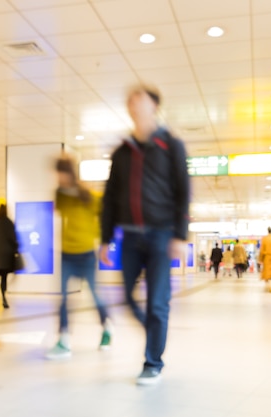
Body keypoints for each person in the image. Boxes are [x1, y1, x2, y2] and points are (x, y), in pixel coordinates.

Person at [100, 84, 190, 385]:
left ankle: (153, 361)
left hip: (161, 234)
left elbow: (182, 190)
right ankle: (155, 330)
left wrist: (180, 235)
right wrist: (105, 238)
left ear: (153, 105)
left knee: (158, 302)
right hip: (129, 237)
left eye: (139, 97)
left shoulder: (170, 145)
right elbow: (110, 197)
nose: (132, 102)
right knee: (126, 296)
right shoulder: (121, 152)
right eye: (130, 99)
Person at [45, 155, 112, 360]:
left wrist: (104, 245)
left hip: (85, 254)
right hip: (66, 253)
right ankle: (64, 340)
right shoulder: (59, 194)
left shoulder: (88, 195)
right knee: (64, 298)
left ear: (69, 173)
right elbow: (59, 211)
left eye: (60, 173)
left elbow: (105, 216)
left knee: (95, 295)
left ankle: (107, 328)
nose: (58, 177)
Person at [0, 204, 19, 309]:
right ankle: (5, 296)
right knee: (6, 276)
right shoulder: (9, 223)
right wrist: (16, 248)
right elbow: (13, 238)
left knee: (3, 278)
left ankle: (3, 297)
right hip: (7, 255)